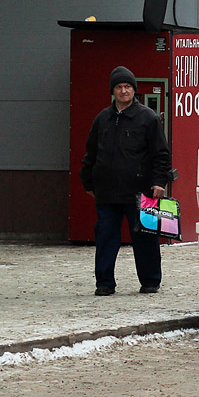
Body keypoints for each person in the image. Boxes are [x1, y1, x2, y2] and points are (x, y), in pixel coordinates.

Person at [80, 66, 171, 295]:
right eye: (119, 87)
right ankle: (104, 284)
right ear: (113, 91)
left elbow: (161, 154)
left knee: (145, 238)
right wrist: (89, 183)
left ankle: (150, 281)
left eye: (128, 87)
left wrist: (159, 182)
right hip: (107, 192)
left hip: (140, 192)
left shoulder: (147, 118)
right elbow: (91, 153)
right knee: (106, 239)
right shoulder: (103, 119)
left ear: (134, 90)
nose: (124, 91)